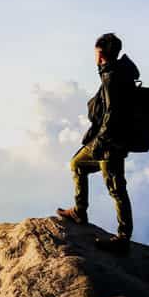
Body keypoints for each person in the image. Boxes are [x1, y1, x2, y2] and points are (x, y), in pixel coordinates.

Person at [56, 32, 140, 253]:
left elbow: (112, 113)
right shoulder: (117, 74)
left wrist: (101, 141)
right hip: (111, 140)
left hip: (110, 143)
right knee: (79, 165)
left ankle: (122, 239)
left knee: (115, 187)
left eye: (95, 53)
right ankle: (79, 211)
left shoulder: (113, 77)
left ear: (101, 54)